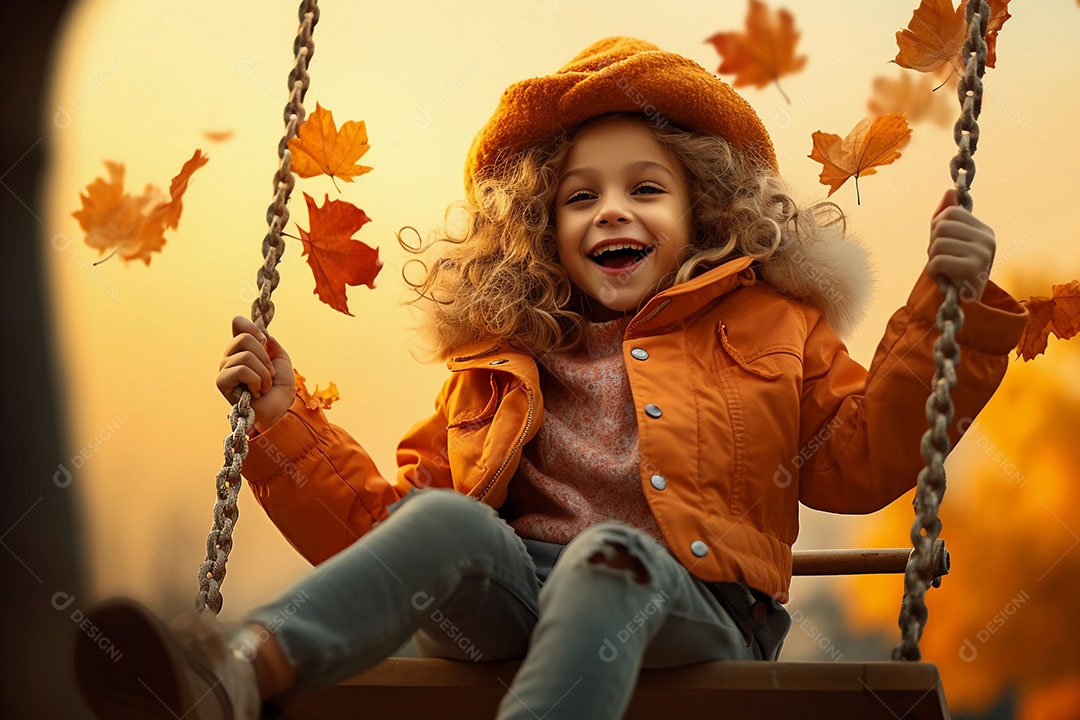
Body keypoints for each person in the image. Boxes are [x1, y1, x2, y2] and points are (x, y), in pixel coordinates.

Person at [74, 37, 1029, 720]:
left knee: (608, 560)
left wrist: (952, 309)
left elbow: (860, 460)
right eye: (581, 196)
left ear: (705, 212)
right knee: (446, 522)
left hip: (698, 610)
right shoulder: (501, 365)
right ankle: (235, 672)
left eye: (645, 188)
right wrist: (286, 424)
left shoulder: (774, 328)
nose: (612, 211)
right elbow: (386, 536)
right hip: (513, 604)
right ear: (542, 225)